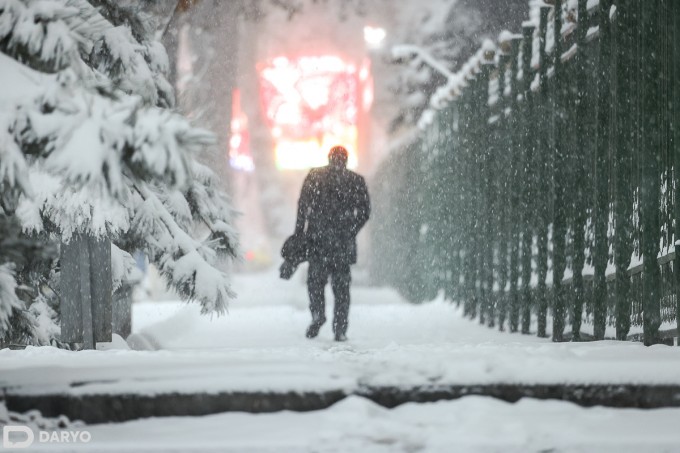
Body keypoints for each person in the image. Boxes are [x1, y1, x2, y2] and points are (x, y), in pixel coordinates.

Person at [292, 145, 370, 341]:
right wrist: (350, 230)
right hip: (342, 245)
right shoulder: (356, 181)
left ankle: (318, 315)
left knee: (315, 284)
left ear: (329, 158)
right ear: (346, 160)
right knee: (342, 288)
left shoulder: (314, 177)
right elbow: (364, 212)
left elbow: (302, 208)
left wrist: (300, 234)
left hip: (318, 242)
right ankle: (340, 328)